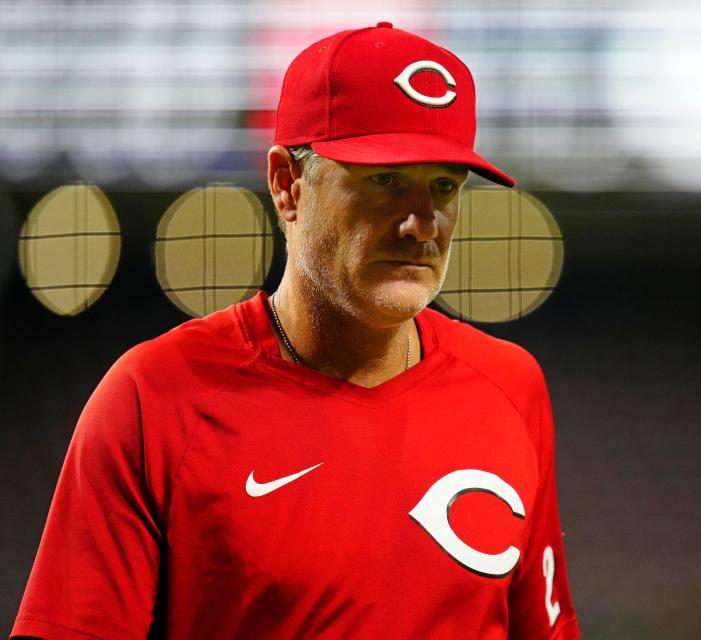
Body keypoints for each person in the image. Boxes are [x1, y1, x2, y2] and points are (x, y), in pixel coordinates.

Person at [10, 22, 579, 639]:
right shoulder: (156, 396)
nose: (422, 223)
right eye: (383, 180)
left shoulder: (509, 386)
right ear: (287, 184)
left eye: (444, 185)